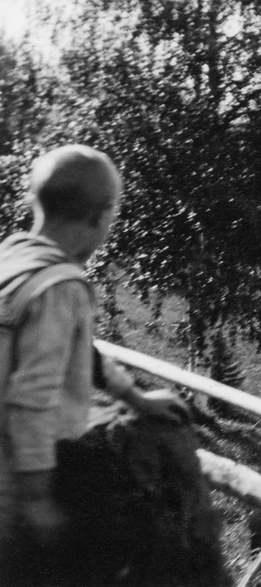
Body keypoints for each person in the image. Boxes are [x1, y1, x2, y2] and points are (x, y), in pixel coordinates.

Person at [0, 144, 185, 585]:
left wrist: (134, 397)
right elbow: (33, 399)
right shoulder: (61, 287)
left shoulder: (12, 258)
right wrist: (36, 496)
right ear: (102, 215)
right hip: (18, 469)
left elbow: (82, 352)